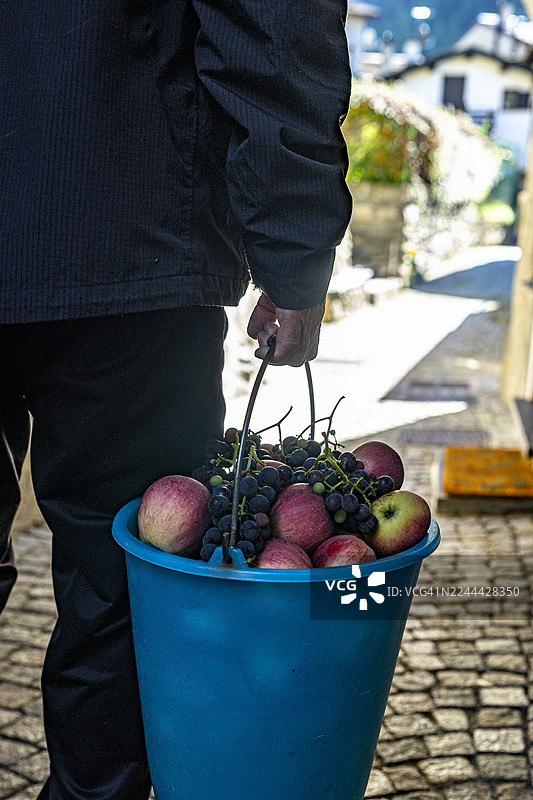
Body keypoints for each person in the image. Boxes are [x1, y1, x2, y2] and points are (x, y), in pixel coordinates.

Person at [0, 2, 352, 798]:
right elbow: (271, 35)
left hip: (130, 250)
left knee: (127, 569)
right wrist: (292, 254)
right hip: (123, 234)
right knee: (120, 582)